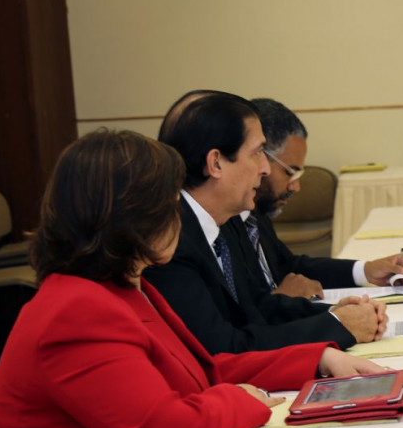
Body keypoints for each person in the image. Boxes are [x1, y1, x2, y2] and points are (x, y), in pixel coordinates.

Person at [0, 130, 385, 428]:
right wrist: (244, 401)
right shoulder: (76, 311)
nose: (179, 218)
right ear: (129, 216)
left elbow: (204, 371)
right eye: (169, 205)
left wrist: (318, 358)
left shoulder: (125, 287)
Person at [145, 93, 388, 354]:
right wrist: (339, 326)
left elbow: (258, 309)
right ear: (215, 163)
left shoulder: (222, 220)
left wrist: (334, 313)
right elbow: (224, 350)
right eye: (258, 152)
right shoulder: (170, 239)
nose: (265, 168)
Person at [241, 98, 403, 300]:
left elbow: (288, 267)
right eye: (290, 172)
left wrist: (366, 270)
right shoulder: (223, 227)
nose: (296, 187)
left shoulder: (254, 215)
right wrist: (280, 300)